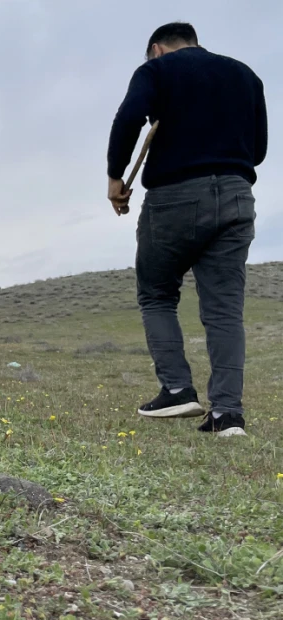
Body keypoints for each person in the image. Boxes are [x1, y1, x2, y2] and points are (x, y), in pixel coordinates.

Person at [106, 23, 267, 437]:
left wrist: (114, 178)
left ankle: (178, 389)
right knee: (224, 310)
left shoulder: (157, 71)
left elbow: (128, 118)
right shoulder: (246, 75)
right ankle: (227, 415)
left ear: (157, 50)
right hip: (236, 194)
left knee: (157, 294)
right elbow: (260, 149)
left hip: (175, 196)